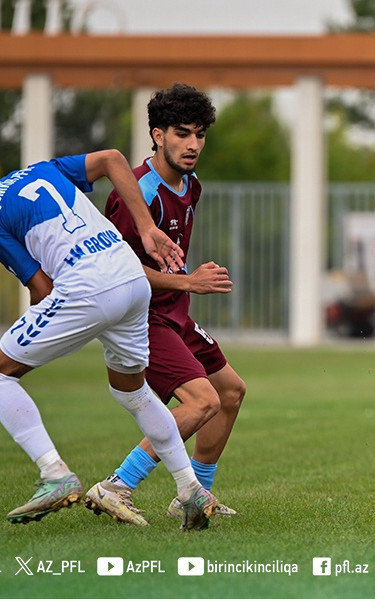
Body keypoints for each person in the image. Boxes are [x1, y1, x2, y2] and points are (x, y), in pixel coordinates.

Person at [0, 148, 221, 530]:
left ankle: (54, 474)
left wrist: (30, 336)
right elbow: (112, 158)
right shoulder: (42, 169)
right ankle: (190, 490)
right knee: (132, 391)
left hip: (88, 287)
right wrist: (146, 227)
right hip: (131, 279)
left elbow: (42, 289)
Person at [89, 82, 246, 526]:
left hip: (173, 315)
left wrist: (183, 287)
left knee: (230, 392)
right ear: (157, 135)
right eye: (182, 133)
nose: (192, 144)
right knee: (201, 402)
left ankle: (193, 496)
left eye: (199, 135)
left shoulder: (190, 185)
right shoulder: (134, 193)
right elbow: (116, 271)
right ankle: (116, 486)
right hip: (139, 318)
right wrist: (188, 282)